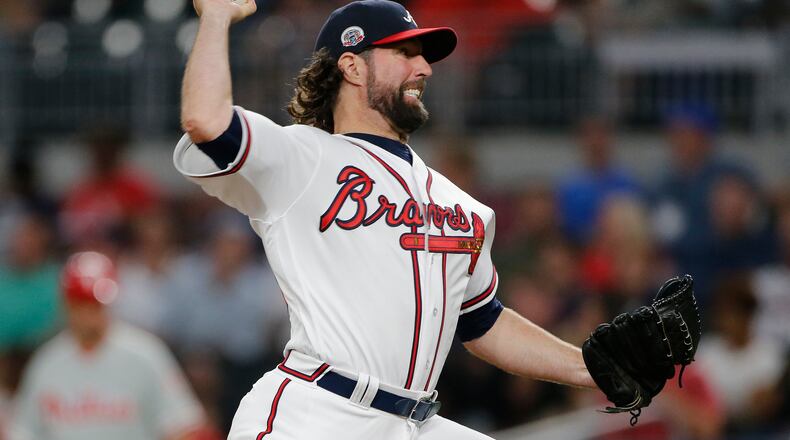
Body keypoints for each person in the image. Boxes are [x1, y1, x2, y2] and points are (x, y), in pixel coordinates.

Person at [175, 1, 597, 438]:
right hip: (317, 412)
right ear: (353, 67)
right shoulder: (298, 157)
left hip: (414, 422)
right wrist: (217, 17)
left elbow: (483, 323)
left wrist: (590, 368)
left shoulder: (463, 206)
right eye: (405, 53)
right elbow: (205, 120)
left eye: (423, 56)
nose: (425, 68)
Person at [9, 251, 206, 440]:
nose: (89, 315)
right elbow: (23, 432)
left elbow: (183, 425)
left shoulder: (145, 353)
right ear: (67, 304)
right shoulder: (47, 362)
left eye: (96, 305)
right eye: (82, 303)